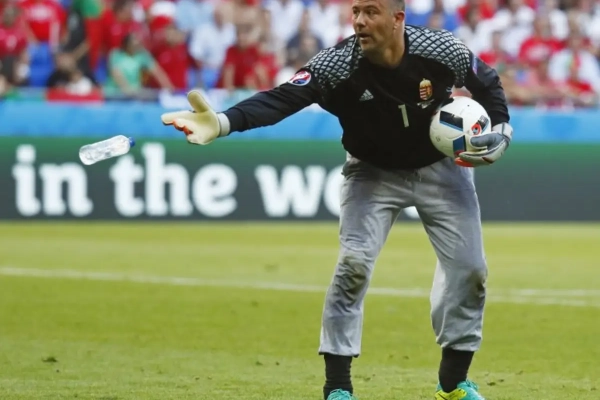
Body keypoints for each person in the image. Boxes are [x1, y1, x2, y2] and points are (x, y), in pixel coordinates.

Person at [161, 0, 513, 398]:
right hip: (371, 173)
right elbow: (281, 99)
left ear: (397, 19)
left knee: (470, 270)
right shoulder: (336, 64)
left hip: (441, 170)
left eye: (371, 12)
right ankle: (338, 389)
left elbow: (487, 82)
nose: (360, 21)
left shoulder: (441, 49)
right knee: (353, 265)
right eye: (356, 11)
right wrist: (224, 122)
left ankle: (452, 384)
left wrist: (502, 126)